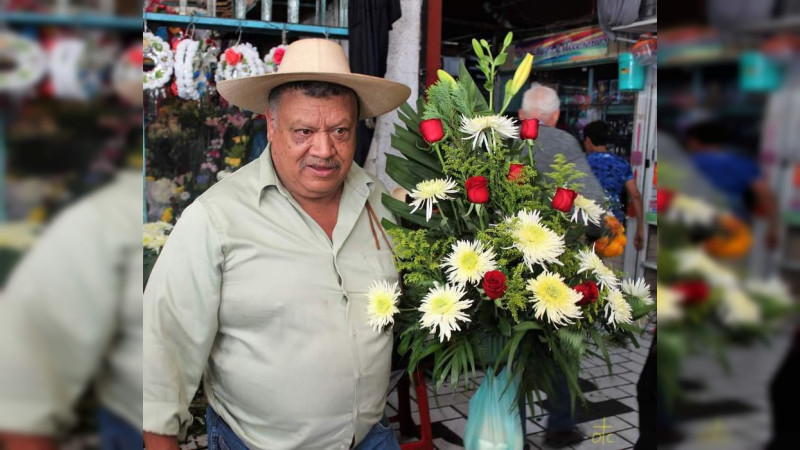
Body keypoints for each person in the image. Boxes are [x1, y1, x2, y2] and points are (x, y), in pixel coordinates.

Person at [142, 39, 411, 450]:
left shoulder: (383, 207)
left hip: (371, 438)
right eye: (303, 131)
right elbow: (161, 354)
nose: (324, 150)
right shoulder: (216, 218)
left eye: (340, 131)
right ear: (271, 125)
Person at [519, 83, 604, 447]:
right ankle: (560, 426)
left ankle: (510, 433)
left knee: (513, 354)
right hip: (558, 269)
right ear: (555, 118)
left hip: (506, 269)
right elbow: (594, 209)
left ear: (522, 116)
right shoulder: (566, 144)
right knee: (563, 349)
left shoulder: (505, 142)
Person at [685, 120, 779, 248]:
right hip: (733, 230)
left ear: (693, 141)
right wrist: (773, 228)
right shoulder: (742, 162)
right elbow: (765, 194)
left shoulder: (686, 163)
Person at [518, 83, 606, 205]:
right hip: (549, 222)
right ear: (556, 115)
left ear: (521, 113)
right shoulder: (565, 142)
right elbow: (592, 198)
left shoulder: (502, 139)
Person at [583, 120, 645, 252]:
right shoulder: (621, 163)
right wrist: (640, 228)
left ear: (588, 140)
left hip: (586, 222)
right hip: (612, 225)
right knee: (607, 267)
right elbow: (635, 194)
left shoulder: (582, 162)